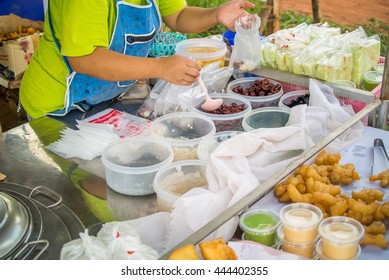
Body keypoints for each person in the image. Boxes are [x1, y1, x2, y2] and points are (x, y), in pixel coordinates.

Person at [20, 0, 255, 119]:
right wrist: (160, 67)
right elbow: (85, 60)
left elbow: (179, 16)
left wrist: (215, 13)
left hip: (103, 97)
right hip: (57, 104)